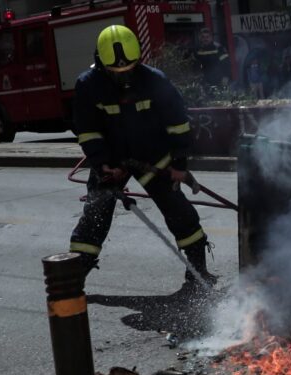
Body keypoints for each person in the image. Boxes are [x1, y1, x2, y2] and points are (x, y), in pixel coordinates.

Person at [69, 24, 217, 295]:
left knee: (179, 211)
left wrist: (179, 166)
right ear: (101, 63)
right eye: (117, 72)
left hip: (153, 159)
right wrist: (102, 164)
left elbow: (179, 125)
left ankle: (198, 272)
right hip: (112, 161)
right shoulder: (88, 86)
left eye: (130, 69)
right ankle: (71, 279)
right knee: (95, 216)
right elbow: (88, 131)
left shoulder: (155, 81)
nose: (125, 77)